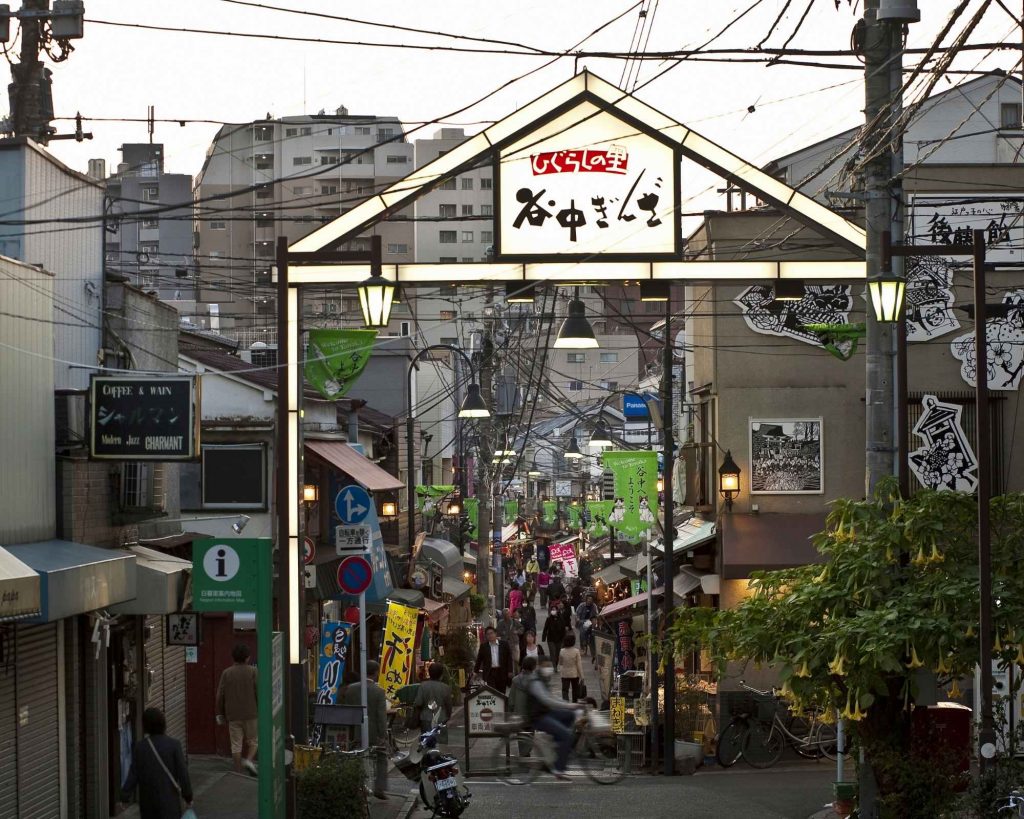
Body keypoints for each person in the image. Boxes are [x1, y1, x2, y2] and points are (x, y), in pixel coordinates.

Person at [120, 707, 193, 819]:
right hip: (170, 804)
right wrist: (188, 797)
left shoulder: (141, 747)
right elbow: (183, 774)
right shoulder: (174, 745)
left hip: (148, 805)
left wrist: (124, 797)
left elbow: (133, 774)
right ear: (163, 723)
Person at [521, 656, 581, 779]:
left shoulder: (543, 679)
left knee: (570, 715)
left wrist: (569, 706)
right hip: (538, 717)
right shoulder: (535, 682)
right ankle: (558, 769)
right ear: (540, 666)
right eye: (546, 665)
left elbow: (552, 696)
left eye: (550, 665)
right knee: (566, 735)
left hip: (547, 712)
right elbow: (547, 700)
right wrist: (569, 705)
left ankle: (558, 742)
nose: (549, 668)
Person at [341, 660, 389, 799]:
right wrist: (383, 734)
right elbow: (381, 716)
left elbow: (346, 709)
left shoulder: (351, 688)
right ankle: (379, 788)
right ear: (375, 673)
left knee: (354, 756)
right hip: (373, 731)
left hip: (354, 730)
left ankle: (355, 786)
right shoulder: (379, 691)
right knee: (381, 756)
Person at [216, 642, 258, 775]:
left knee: (236, 744)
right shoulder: (253, 671)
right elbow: (258, 691)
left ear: (233, 657)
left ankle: (238, 770)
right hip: (251, 713)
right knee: (253, 741)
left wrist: (220, 713)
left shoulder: (226, 673)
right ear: (247, 657)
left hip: (232, 714)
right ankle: (249, 761)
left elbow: (220, 695)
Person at [414, 661, 453, 734]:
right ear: (441, 675)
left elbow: (418, 703)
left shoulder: (423, 686)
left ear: (429, 673)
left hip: (425, 719)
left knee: (426, 742)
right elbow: (449, 706)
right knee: (440, 742)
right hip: (441, 719)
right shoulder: (446, 688)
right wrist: (447, 717)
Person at [473, 626, 513, 693]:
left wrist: (510, 670)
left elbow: (509, 658)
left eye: (491, 633)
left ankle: (502, 703)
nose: (490, 635)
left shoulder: (504, 644)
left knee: (501, 692)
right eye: (488, 634)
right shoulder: (484, 646)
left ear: (495, 633)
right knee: (492, 692)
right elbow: (479, 659)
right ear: (486, 636)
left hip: (501, 671)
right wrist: (475, 671)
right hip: (490, 672)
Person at [557, 633, 584, 702]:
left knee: (565, 690)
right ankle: (574, 703)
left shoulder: (562, 651)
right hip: (574, 674)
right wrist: (582, 676)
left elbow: (560, 662)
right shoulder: (576, 651)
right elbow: (579, 664)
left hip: (565, 674)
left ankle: (566, 703)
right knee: (575, 689)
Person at [541, 602, 567, 668]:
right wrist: (543, 637)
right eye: (552, 610)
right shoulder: (549, 619)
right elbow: (545, 628)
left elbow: (563, 629)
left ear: (557, 610)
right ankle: (554, 666)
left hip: (559, 639)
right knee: (552, 652)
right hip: (551, 639)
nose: (553, 611)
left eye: (554, 609)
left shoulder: (561, 619)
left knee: (557, 654)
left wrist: (564, 638)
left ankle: (556, 663)